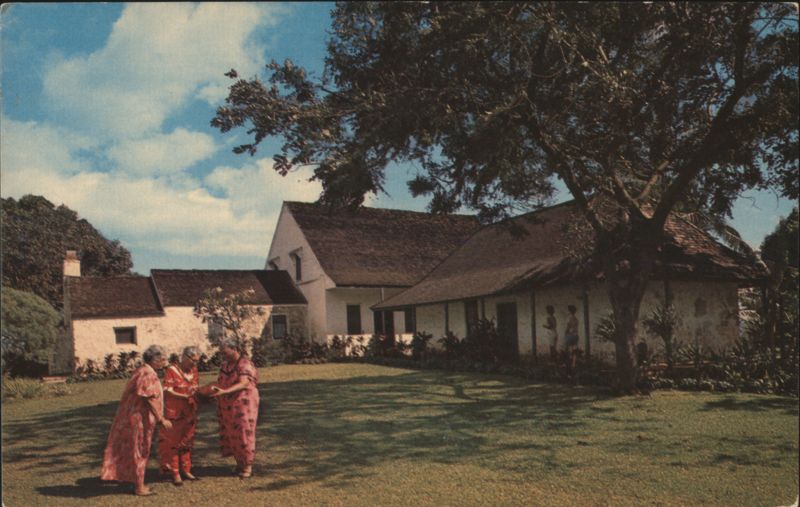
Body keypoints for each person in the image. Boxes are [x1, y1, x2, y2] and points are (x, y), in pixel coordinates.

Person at [101, 344, 172, 496]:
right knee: (140, 450)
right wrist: (161, 418)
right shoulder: (147, 373)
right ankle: (139, 487)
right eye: (163, 359)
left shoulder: (143, 371)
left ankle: (136, 482)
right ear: (155, 359)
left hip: (137, 417)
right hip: (140, 418)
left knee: (138, 449)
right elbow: (149, 399)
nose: (164, 362)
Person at [209, 338, 260, 479]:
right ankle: (239, 463)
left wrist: (225, 392)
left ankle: (247, 465)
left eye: (225, 352)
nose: (223, 356)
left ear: (234, 349)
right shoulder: (225, 365)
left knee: (244, 432)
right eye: (222, 353)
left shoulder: (244, 364)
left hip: (244, 403)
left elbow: (244, 383)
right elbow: (220, 381)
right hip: (228, 404)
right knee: (231, 433)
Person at [158, 346, 201, 486]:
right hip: (175, 412)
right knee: (174, 443)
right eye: (192, 360)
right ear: (184, 357)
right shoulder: (172, 370)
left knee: (187, 440)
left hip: (190, 410)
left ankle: (187, 469)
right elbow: (167, 390)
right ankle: (175, 472)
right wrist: (184, 395)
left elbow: (195, 388)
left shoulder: (194, 371)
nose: (194, 364)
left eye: (196, 361)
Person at [564, 305, 580, 374]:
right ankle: (573, 363)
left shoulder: (569, 318)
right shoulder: (576, 319)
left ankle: (568, 365)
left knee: (567, 350)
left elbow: (567, 327)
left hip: (570, 335)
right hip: (575, 335)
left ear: (569, 311)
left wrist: (565, 334)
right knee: (574, 350)